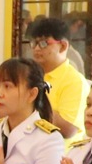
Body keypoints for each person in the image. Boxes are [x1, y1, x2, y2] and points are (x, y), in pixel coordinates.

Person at [26, 17, 88, 146]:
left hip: (61, 154)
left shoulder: (74, 81)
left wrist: (32, 102)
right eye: (33, 43)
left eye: (43, 43)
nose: (36, 49)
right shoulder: (28, 75)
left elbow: (68, 130)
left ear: (63, 46)